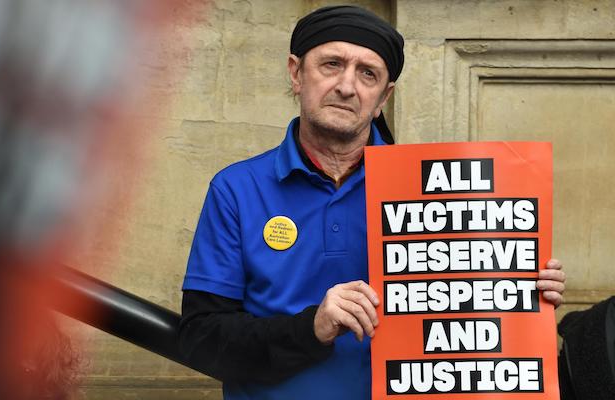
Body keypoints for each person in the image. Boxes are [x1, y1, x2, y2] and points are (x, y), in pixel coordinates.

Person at [178, 5, 566, 400]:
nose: (347, 86)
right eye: (331, 64)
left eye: (368, 74)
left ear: (384, 96)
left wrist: (516, 292)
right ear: (296, 73)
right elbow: (200, 339)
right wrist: (313, 327)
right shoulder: (237, 189)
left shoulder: (433, 192)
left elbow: (466, 332)